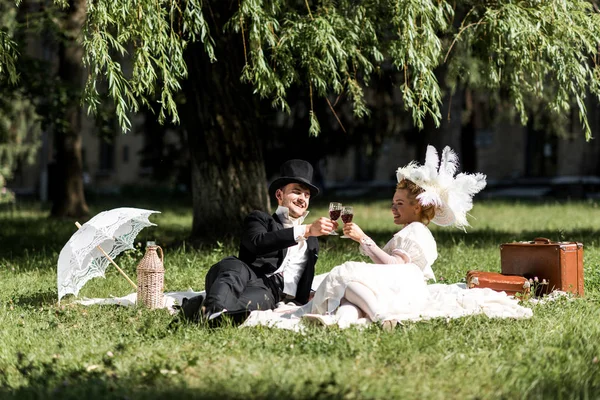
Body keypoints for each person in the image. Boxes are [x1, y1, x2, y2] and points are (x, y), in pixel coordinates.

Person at [300, 145, 487, 327]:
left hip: (403, 289)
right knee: (347, 293)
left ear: (417, 207)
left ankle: (380, 316)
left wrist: (363, 239)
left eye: (399, 203)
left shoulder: (416, 230)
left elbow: (395, 267)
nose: (393, 208)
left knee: (345, 276)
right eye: (393, 203)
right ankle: (341, 321)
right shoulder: (413, 229)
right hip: (400, 288)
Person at [178, 159, 337, 325]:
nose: (302, 199)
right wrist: (305, 230)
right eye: (296, 192)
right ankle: (212, 309)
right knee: (234, 266)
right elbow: (257, 242)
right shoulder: (260, 219)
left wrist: (309, 296)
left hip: (269, 290)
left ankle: (200, 316)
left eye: (307, 195)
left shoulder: (312, 242)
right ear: (279, 195)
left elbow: (304, 280)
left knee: (247, 306)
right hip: (244, 273)